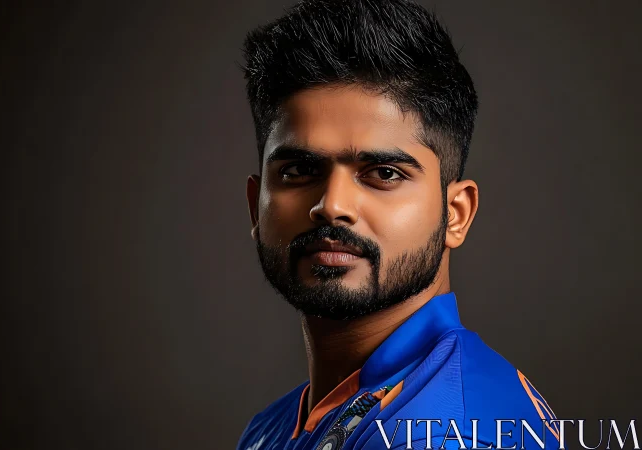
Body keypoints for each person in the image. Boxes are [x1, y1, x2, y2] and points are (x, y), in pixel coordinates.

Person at [237, 1, 563, 449]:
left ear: (456, 213)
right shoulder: (272, 429)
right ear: (257, 207)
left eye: (384, 174)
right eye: (299, 171)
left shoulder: (451, 432)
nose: (331, 206)